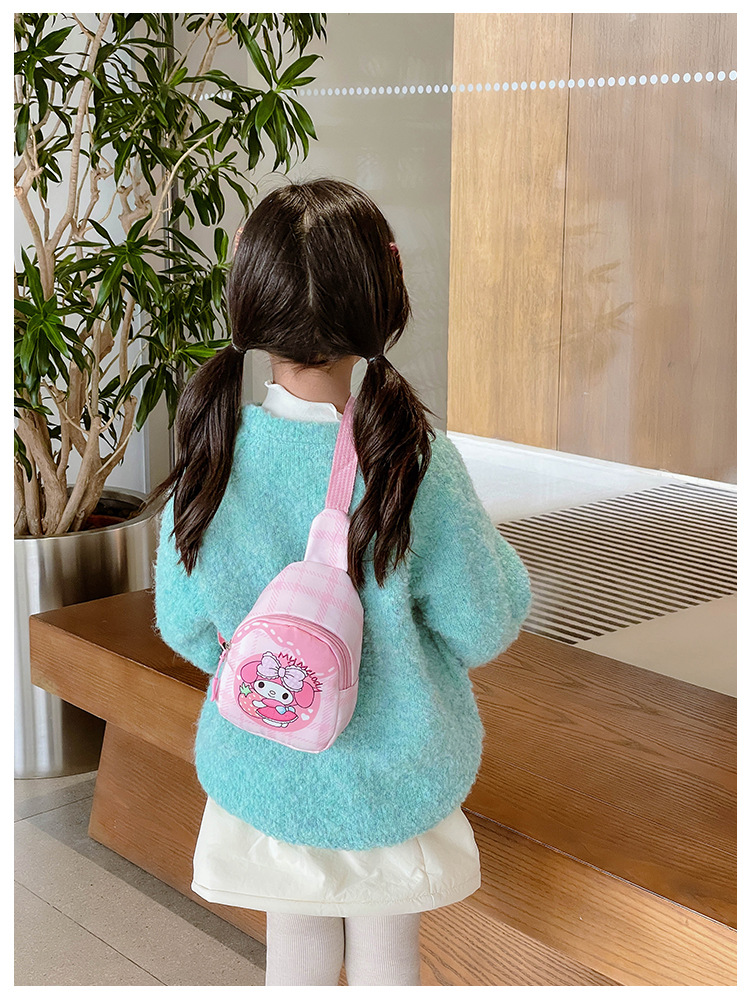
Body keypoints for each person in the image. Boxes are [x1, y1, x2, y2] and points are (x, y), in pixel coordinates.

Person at [150, 178, 532, 987]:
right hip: (391, 777)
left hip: (268, 767)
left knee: (293, 958)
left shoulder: (212, 456)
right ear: (384, 293)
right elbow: (484, 621)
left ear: (248, 291)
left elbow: (185, 624)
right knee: (390, 962)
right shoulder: (415, 463)